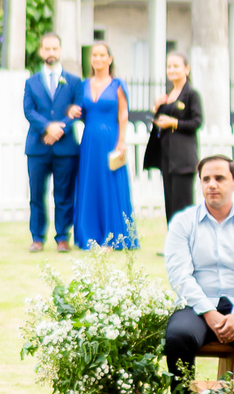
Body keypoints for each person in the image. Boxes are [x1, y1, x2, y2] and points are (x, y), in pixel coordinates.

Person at [163, 155, 234, 394]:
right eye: (206, 179)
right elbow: (179, 275)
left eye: (219, 178)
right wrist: (209, 313)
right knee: (178, 336)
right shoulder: (182, 223)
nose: (212, 184)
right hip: (196, 307)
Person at [23, 31, 83, 254]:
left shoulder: (74, 81)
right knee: (36, 195)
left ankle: (63, 238)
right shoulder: (31, 82)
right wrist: (48, 127)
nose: (51, 52)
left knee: (64, 195)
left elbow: (77, 109)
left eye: (54, 48)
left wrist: (60, 128)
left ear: (60, 51)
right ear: (41, 51)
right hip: (37, 148)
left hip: (65, 148)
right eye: (47, 48)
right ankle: (37, 238)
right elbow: (29, 110)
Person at [73, 40, 136, 250]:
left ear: (109, 59)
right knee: (90, 185)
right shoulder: (83, 85)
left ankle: (113, 236)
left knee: (110, 185)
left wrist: (121, 141)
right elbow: (80, 113)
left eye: (102, 55)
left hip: (111, 140)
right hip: (89, 142)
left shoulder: (117, 85)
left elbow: (123, 114)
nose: (98, 58)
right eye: (94, 55)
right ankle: (90, 235)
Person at [144, 52, 204, 223]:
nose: (171, 70)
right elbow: (157, 123)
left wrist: (174, 123)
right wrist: (156, 108)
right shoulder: (167, 95)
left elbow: (197, 122)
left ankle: (186, 239)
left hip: (183, 159)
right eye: (169, 66)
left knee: (183, 206)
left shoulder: (191, 94)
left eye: (176, 66)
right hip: (167, 158)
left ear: (187, 69)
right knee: (170, 205)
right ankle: (172, 238)